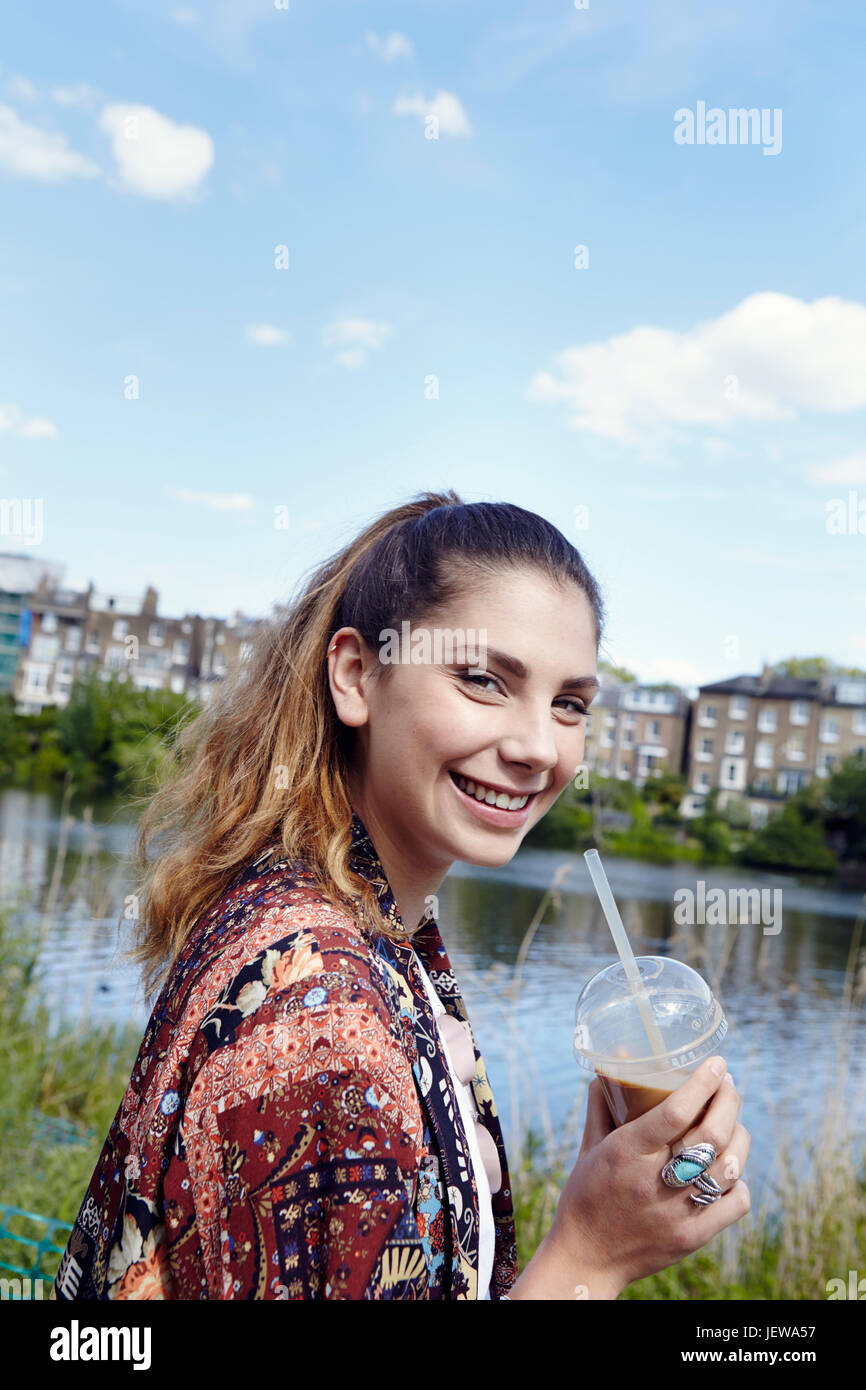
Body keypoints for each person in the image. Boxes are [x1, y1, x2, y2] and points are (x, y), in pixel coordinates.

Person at [51, 489, 750, 1301]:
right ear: (356, 676)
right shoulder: (322, 1017)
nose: (536, 747)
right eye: (484, 680)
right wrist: (591, 1257)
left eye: (569, 704)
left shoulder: (344, 921)